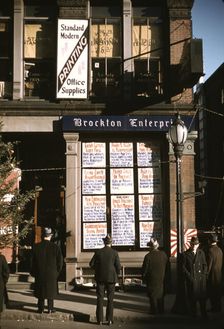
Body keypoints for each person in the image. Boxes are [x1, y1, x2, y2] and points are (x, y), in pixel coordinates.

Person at [89, 234, 121, 325]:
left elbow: (91, 264)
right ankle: (110, 319)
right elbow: (118, 266)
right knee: (110, 299)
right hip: (111, 278)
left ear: (104, 242)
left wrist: (98, 269)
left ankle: (100, 319)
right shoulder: (115, 253)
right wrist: (116, 274)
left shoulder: (98, 252)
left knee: (100, 298)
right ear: (111, 243)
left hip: (100, 277)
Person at [30, 227, 63, 314]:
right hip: (52, 273)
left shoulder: (36, 247)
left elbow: (32, 262)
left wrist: (33, 272)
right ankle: (50, 308)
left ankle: (40, 308)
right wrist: (57, 272)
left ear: (42, 236)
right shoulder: (55, 247)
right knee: (50, 291)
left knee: (41, 291)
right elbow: (60, 262)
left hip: (40, 273)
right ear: (50, 236)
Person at [182, 236, 207, 318]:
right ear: (190, 244)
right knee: (192, 300)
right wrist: (190, 277)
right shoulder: (186, 254)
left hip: (200, 281)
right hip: (192, 281)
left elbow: (204, 265)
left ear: (198, 245)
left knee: (202, 300)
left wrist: (203, 275)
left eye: (196, 244)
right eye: (193, 244)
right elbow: (184, 268)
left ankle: (204, 315)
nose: (194, 246)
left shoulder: (201, 253)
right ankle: (194, 315)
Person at [141, 237, 168, 314]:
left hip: (151, 279)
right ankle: (161, 310)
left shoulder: (148, 256)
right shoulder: (163, 255)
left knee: (152, 296)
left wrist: (143, 277)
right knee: (161, 295)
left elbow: (145, 269)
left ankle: (154, 311)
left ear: (150, 247)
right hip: (162, 278)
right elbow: (167, 267)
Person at [206, 233, 223, 312]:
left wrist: (206, 275)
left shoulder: (210, 251)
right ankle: (218, 307)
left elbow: (209, 265)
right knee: (218, 292)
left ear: (209, 241)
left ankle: (214, 308)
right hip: (219, 274)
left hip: (212, 275)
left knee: (212, 292)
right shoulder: (220, 250)